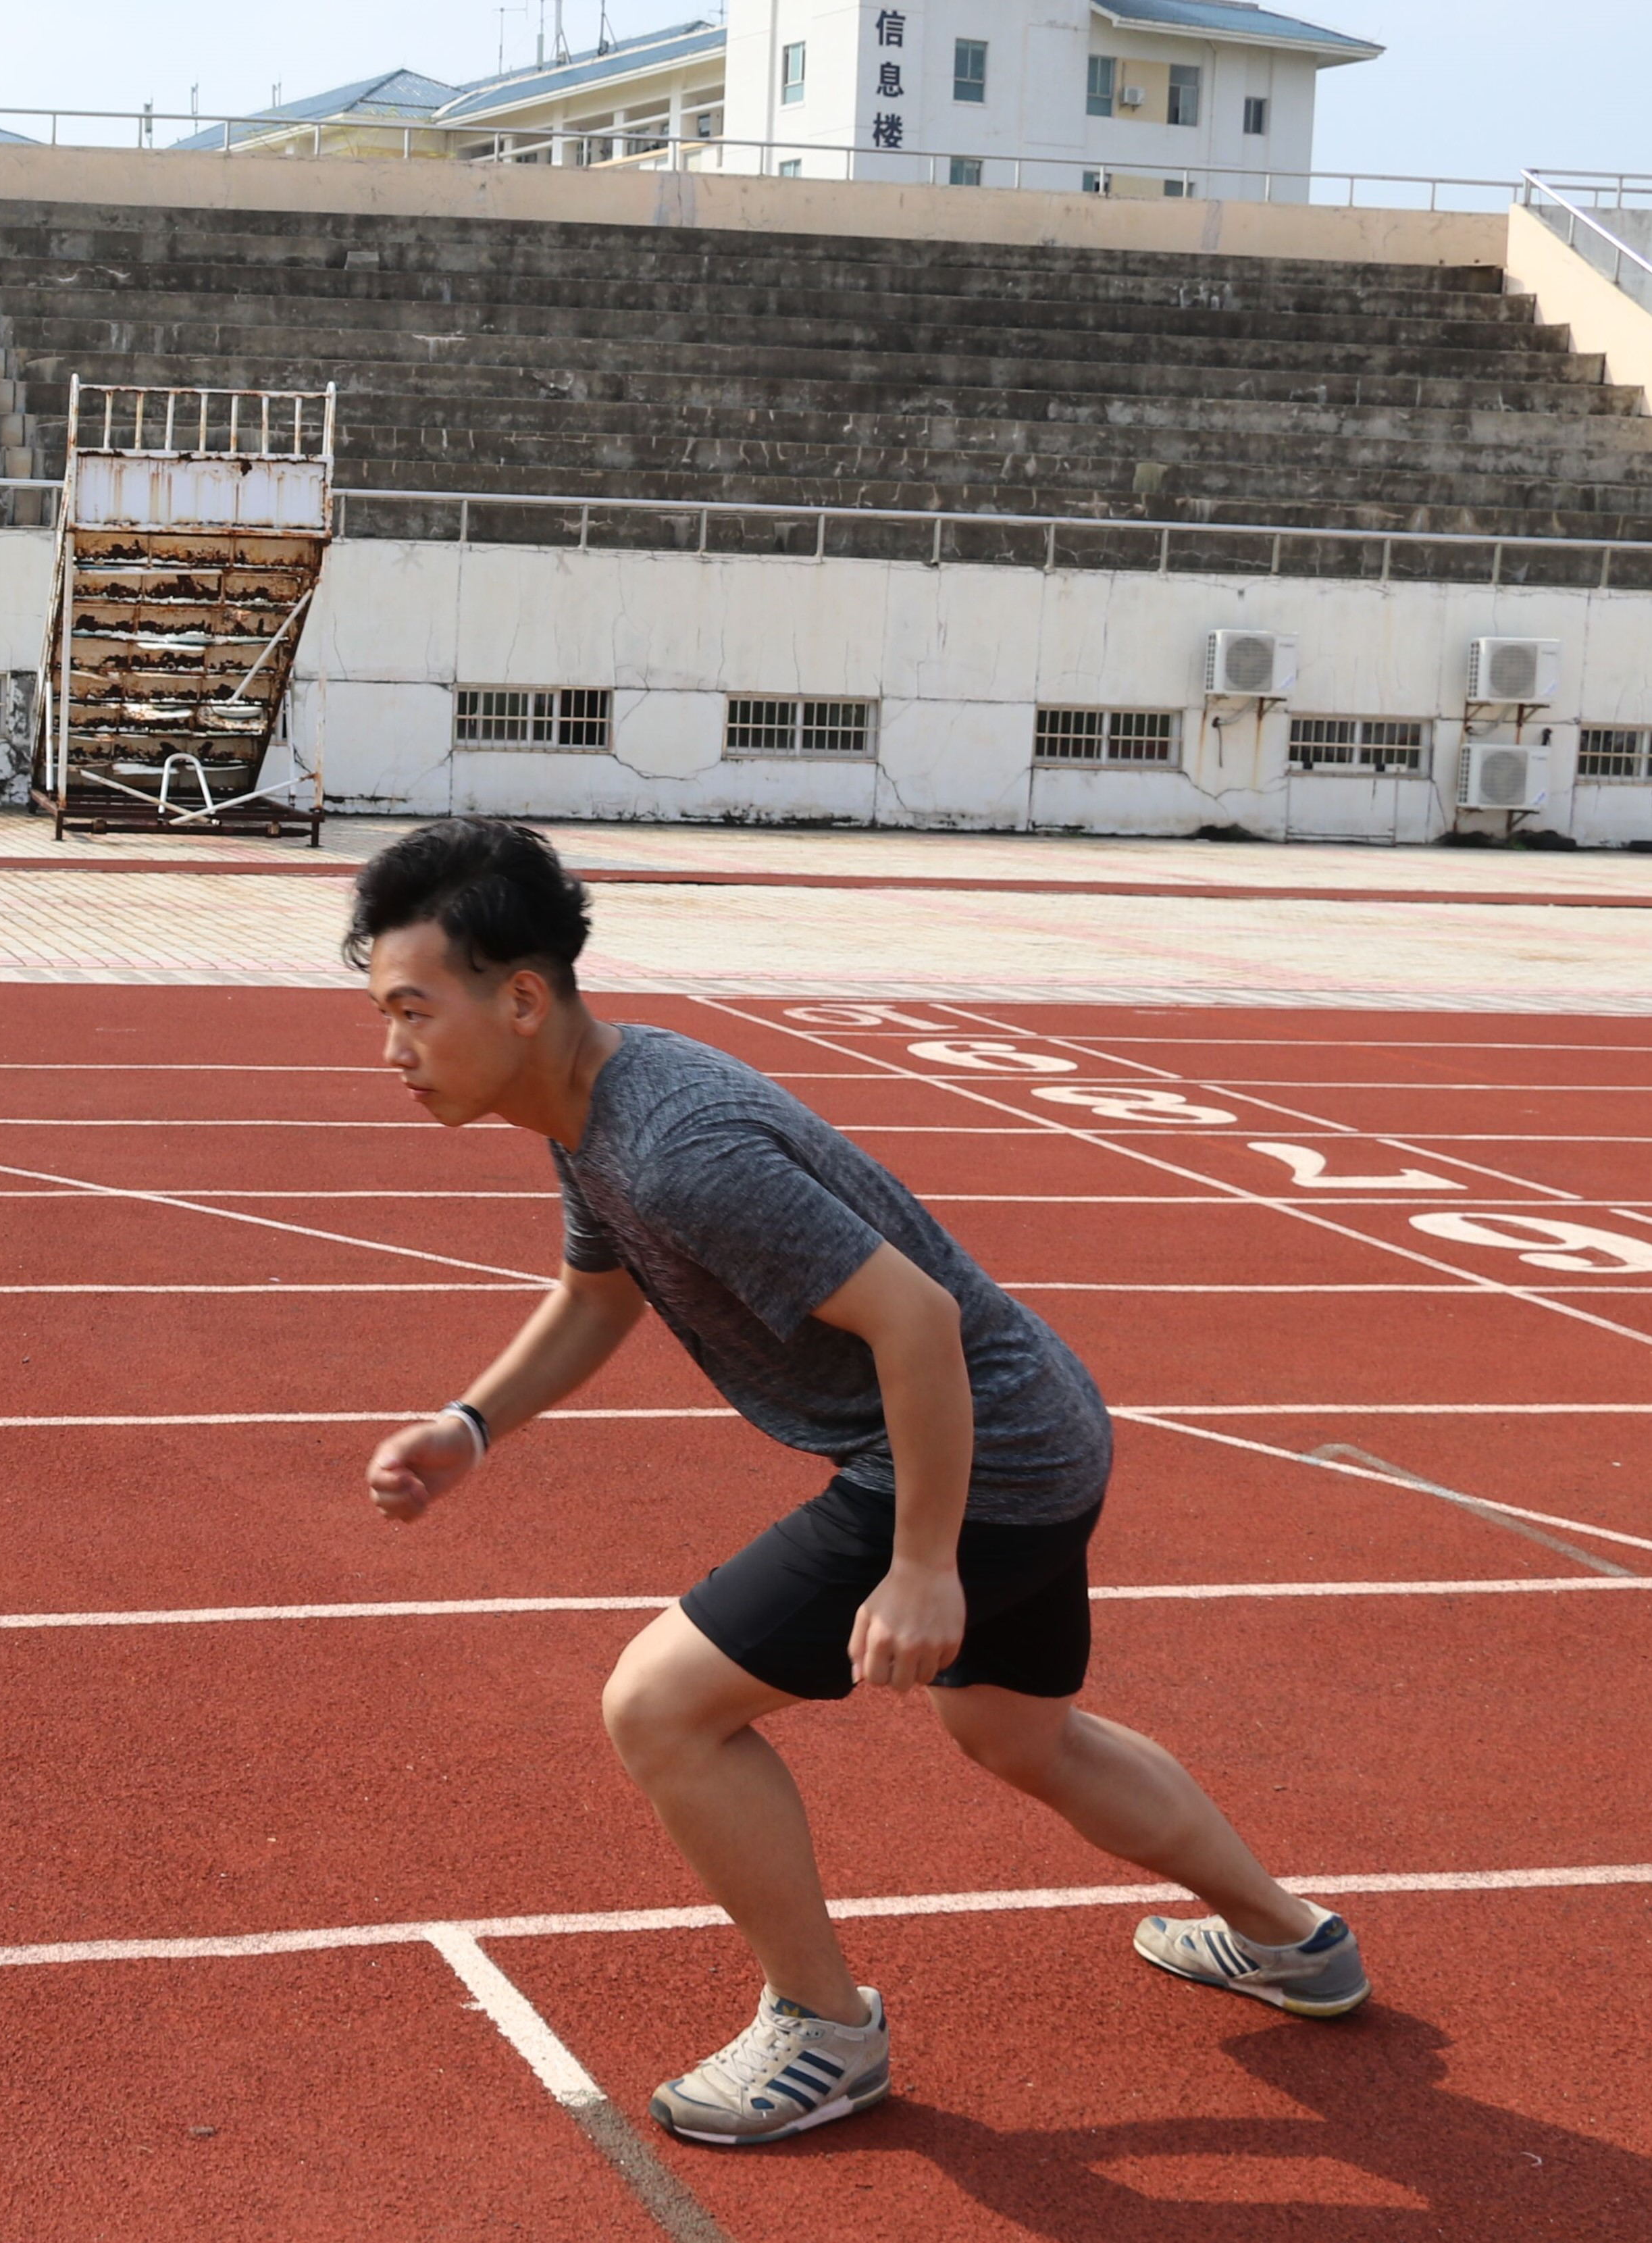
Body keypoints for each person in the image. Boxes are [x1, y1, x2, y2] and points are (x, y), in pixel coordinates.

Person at [349, 818, 1364, 2148]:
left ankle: (823, 2030)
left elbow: (915, 1320)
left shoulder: (675, 1146)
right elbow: (597, 1295)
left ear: (521, 999)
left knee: (661, 1706)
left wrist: (923, 1562)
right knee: (1018, 1733)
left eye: (412, 1010)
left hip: (980, 1450)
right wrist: (472, 1425)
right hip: (1035, 1424)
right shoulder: (590, 1110)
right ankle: (1294, 1942)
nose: (392, 1048)